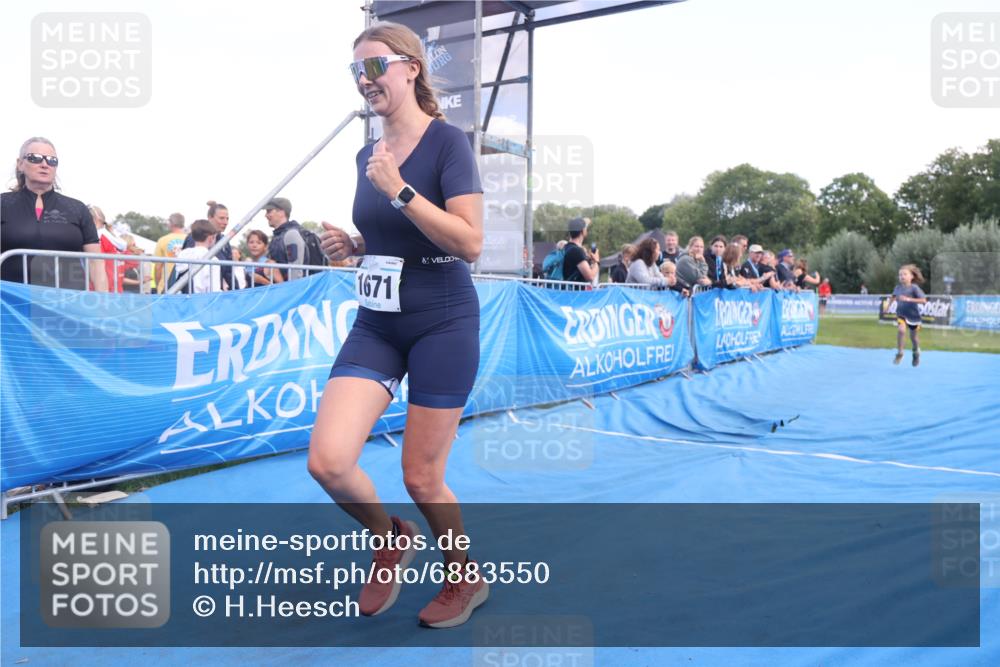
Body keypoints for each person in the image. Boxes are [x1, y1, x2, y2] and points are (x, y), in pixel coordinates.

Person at [310, 21, 486, 629]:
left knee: (421, 475)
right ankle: (392, 536)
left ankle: (465, 579)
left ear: (411, 68)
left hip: (442, 320)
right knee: (328, 462)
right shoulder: (367, 153)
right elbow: (394, 236)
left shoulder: (448, 144)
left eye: (376, 65)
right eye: (356, 70)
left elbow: (469, 243)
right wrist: (354, 244)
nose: (365, 79)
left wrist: (401, 191)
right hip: (378, 323)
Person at [1, 137, 107, 291]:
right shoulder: (3, 204)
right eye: (35, 158)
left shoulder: (77, 209)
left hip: (65, 304)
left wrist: (103, 304)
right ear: (20, 164)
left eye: (52, 160)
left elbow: (96, 263)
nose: (44, 164)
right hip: (12, 305)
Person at [183, 201, 235, 288]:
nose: (225, 222)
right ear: (210, 217)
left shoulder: (224, 241)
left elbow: (229, 271)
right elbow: (185, 267)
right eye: (221, 218)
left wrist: (236, 291)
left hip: (214, 293)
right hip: (194, 293)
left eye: (227, 219)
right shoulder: (194, 238)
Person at [888, 264, 927, 367]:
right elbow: (893, 296)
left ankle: (916, 352)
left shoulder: (914, 288)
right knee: (901, 330)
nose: (902, 276)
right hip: (901, 314)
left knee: (913, 337)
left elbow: (923, 300)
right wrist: (888, 306)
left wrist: (909, 299)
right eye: (900, 275)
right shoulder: (897, 287)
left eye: (904, 274)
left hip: (913, 316)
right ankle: (900, 353)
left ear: (911, 276)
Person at [263, 197, 308, 282]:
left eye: (269, 211)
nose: (266, 215)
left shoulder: (291, 234)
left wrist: (290, 292)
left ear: (281, 212)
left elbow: (296, 272)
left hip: (294, 291)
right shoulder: (279, 236)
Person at [173, 219, 222, 293]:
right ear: (211, 238)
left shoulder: (182, 254)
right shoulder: (213, 260)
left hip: (182, 300)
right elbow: (214, 290)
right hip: (202, 300)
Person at [90, 205, 128, 292]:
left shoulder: (98, 236)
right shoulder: (112, 237)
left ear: (94, 220)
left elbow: (97, 264)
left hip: (103, 288)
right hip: (115, 287)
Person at [153, 213, 186, 294]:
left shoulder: (163, 240)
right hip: (185, 285)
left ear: (171, 223)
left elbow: (158, 267)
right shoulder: (190, 239)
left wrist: (158, 285)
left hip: (166, 285)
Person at [562, 217, 599, 286]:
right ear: (583, 231)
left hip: (566, 292)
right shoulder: (576, 251)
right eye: (586, 228)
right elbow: (590, 276)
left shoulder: (566, 247)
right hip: (574, 294)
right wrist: (596, 261)